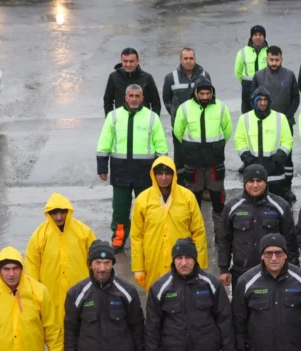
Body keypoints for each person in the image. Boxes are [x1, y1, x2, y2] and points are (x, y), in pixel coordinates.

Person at [96, 84, 168, 253]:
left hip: (145, 172)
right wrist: (102, 166)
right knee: (120, 209)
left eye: (137, 96)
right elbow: (104, 141)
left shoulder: (152, 117)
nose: (134, 99)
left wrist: (162, 170)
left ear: (142, 98)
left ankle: (147, 238)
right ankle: (119, 238)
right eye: (131, 95)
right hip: (120, 171)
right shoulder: (113, 117)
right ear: (125, 97)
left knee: (147, 208)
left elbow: (161, 145)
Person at [130, 156, 209, 291]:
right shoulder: (143, 200)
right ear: (153, 175)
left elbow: (198, 232)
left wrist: (200, 264)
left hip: (182, 261)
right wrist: (138, 267)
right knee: (156, 300)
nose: (164, 177)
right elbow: (137, 236)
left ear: (174, 175)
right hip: (154, 260)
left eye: (167, 173)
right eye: (160, 174)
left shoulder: (187, 197)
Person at [214, 164, 297, 286]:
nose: (255, 185)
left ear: (266, 182)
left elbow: (290, 240)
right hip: (241, 271)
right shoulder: (232, 207)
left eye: (259, 181)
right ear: (244, 183)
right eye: (251, 181)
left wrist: (293, 268)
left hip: (273, 272)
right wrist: (223, 269)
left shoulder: (281, 206)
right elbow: (224, 239)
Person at [24, 193, 96, 327]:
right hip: (51, 291)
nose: (58, 217)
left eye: (62, 212)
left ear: (68, 212)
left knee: (84, 324)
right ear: (48, 214)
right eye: (54, 213)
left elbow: (95, 259)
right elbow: (32, 263)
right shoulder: (39, 235)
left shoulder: (83, 231)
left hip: (81, 289)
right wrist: (34, 291)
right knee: (55, 327)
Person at [173, 79, 233, 217]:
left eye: (208, 93)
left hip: (214, 162)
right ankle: (194, 235)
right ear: (196, 93)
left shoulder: (221, 107)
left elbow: (227, 130)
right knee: (193, 201)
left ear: (212, 93)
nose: (205, 97)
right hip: (193, 163)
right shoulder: (184, 108)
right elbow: (178, 131)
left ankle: (220, 235)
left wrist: (215, 147)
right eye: (202, 94)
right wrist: (191, 147)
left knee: (218, 201)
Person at [235, 86, 295, 199]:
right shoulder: (244, 119)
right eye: (259, 100)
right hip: (253, 171)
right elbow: (239, 140)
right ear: (254, 101)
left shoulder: (280, 118)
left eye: (265, 100)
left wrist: (276, 160)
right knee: (254, 206)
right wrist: (250, 160)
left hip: (276, 171)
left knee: (278, 205)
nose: (263, 103)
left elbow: (287, 140)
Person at [162, 47, 211, 181]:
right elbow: (167, 99)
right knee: (180, 157)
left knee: (201, 156)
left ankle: (203, 185)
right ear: (180, 60)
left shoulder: (205, 76)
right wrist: (176, 115)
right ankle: (181, 183)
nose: (188, 61)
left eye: (191, 58)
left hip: (200, 126)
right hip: (180, 127)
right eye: (185, 58)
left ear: (195, 59)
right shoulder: (171, 78)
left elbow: (210, 98)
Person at [103, 47, 161, 115]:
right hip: (121, 121)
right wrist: (110, 120)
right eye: (125, 61)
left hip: (143, 121)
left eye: (131, 61)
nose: (128, 64)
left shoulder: (147, 78)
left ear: (138, 61)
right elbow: (108, 101)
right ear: (121, 61)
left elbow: (156, 103)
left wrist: (153, 120)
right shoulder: (113, 77)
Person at [234, 25, 269, 114]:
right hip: (248, 91)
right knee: (248, 117)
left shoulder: (269, 52)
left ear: (264, 37)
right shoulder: (242, 52)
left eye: (260, 35)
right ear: (251, 36)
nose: (258, 37)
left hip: (266, 88)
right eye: (255, 35)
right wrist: (246, 84)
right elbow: (238, 72)